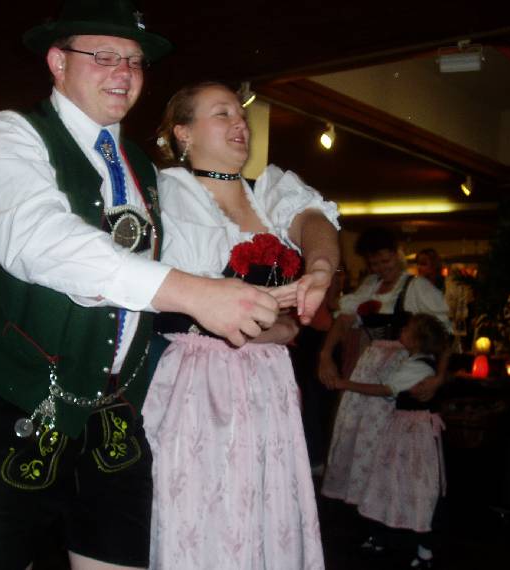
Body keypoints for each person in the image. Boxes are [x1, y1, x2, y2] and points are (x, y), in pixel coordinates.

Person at [0, 3, 288, 570]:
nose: (124, 72)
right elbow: (40, 240)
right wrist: (194, 294)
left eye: (134, 60)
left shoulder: (142, 169)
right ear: (57, 62)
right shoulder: (10, 136)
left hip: (114, 418)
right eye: (103, 56)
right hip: (12, 408)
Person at [142, 81, 340, 569]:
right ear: (184, 133)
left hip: (268, 380)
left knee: (264, 505)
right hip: (199, 376)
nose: (240, 124)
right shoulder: (167, 195)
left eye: (241, 115)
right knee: (205, 510)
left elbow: (315, 221)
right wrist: (277, 328)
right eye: (222, 113)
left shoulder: (268, 192)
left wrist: (318, 269)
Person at [319, 226, 450, 504]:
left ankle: (387, 502)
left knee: (388, 440)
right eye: (375, 263)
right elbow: (344, 320)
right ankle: (363, 500)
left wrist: (439, 377)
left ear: (398, 255)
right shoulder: (370, 286)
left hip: (400, 371)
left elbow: (444, 336)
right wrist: (325, 354)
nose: (381, 268)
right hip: (368, 368)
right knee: (360, 434)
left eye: (386, 260)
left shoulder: (417, 288)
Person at [331, 313, 449, 569]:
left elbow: (386, 389)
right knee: (387, 481)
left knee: (417, 486)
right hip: (403, 431)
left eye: (407, 329)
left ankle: (423, 548)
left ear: (417, 340)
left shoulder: (418, 367)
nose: (402, 330)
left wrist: (345, 383)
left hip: (414, 435)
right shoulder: (415, 361)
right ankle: (383, 536)